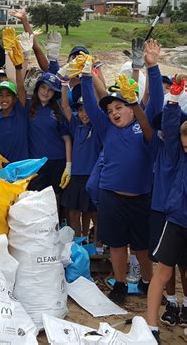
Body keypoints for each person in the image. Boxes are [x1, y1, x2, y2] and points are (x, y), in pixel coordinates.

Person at [81, 39, 163, 305]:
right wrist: (85, 75)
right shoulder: (107, 129)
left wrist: (152, 67)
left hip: (141, 197)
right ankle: (119, 283)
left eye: (119, 107)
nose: (114, 113)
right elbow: (93, 108)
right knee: (116, 244)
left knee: (141, 247)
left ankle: (147, 281)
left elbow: (157, 102)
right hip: (111, 195)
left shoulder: (145, 128)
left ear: (131, 106)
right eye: (111, 110)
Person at [147, 77, 187, 343]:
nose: (186, 147)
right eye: (184, 144)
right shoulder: (177, 153)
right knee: (163, 271)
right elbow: (171, 127)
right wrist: (172, 100)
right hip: (176, 220)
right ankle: (150, 327)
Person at [60, 85, 101, 238]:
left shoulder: (99, 127)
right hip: (76, 175)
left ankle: (98, 246)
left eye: (88, 109)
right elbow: (64, 105)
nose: (84, 114)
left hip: (93, 176)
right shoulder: (76, 124)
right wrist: (64, 83)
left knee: (95, 213)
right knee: (73, 212)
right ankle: (78, 243)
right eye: (81, 110)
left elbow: (102, 101)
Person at [26, 72, 72, 195]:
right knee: (36, 197)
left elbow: (67, 139)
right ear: (38, 88)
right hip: (37, 162)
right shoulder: (29, 106)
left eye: (50, 90)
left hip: (57, 160)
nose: (46, 92)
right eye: (43, 87)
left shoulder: (57, 111)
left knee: (56, 197)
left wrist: (68, 164)